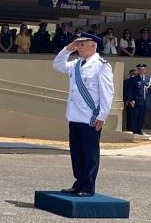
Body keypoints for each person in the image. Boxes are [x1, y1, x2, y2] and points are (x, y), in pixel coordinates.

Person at [53, 37, 114, 197]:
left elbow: (107, 92)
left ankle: (88, 186)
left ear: (92, 46)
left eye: (82, 44)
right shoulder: (76, 64)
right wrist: (68, 49)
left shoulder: (101, 65)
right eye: (78, 44)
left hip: (90, 117)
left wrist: (102, 115)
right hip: (74, 115)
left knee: (90, 152)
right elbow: (58, 65)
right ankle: (78, 183)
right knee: (77, 152)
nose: (78, 47)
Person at [129, 64, 150, 135]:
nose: (141, 71)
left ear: (145, 70)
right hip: (136, 101)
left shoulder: (148, 79)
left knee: (142, 116)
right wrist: (131, 100)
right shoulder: (134, 79)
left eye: (143, 69)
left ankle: (139, 130)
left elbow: (148, 89)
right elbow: (130, 90)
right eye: (140, 69)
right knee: (135, 116)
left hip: (144, 101)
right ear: (138, 70)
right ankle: (135, 131)